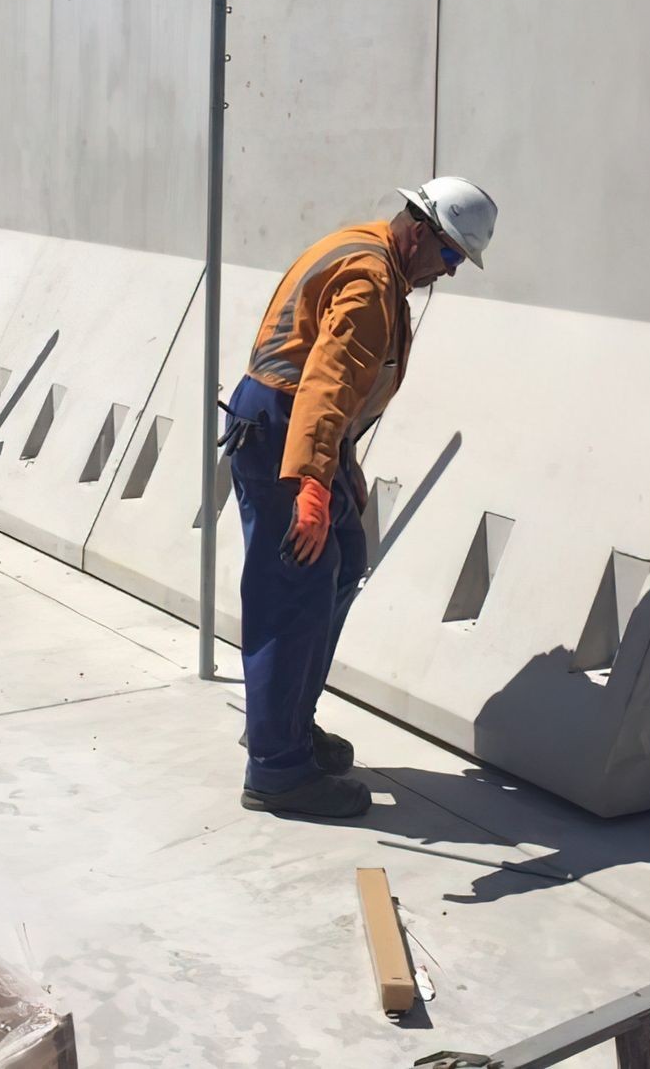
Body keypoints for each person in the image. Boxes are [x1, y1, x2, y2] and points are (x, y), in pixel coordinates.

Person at [223, 177, 498, 818]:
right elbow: (326, 382)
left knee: (341, 567)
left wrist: (336, 464)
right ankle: (276, 771)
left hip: (300, 433)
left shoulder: (369, 252)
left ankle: (285, 722)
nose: (451, 271)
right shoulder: (372, 281)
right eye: (453, 255)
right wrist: (312, 486)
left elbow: (333, 390)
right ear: (422, 230)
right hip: (287, 436)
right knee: (293, 591)